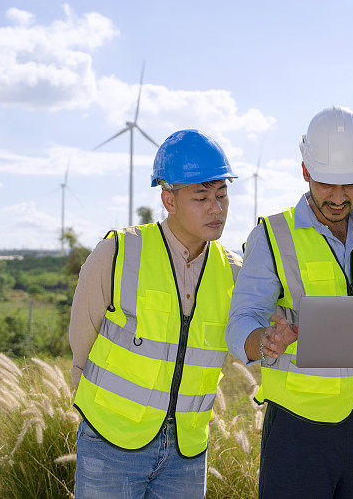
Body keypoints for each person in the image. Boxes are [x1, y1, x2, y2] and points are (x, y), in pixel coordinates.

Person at [226, 106, 353, 498]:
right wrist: (265, 342)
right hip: (299, 431)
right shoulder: (273, 235)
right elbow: (240, 322)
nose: (339, 198)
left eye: (352, 185)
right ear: (306, 170)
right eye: (328, 183)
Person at [69, 129, 242, 499]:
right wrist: (98, 420)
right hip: (110, 443)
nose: (217, 208)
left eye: (223, 195)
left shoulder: (233, 271)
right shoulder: (117, 252)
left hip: (187, 452)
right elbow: (82, 339)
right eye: (202, 197)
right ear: (169, 200)